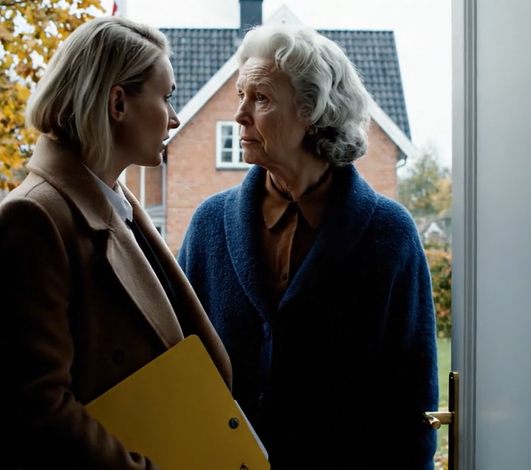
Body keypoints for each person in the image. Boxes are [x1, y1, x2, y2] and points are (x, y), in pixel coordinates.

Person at [178, 23, 438, 470]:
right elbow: (180, 365)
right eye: (240, 95)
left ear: (314, 113)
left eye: (260, 98)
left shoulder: (389, 234)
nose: (239, 114)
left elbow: (412, 400)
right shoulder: (209, 225)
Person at [0, 16, 231, 470]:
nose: (176, 118)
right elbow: (38, 409)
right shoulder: (33, 219)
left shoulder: (116, 203)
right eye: (166, 97)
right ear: (118, 103)